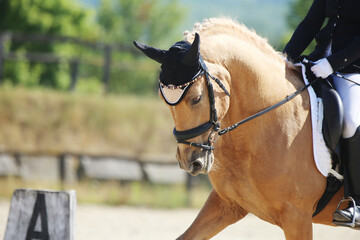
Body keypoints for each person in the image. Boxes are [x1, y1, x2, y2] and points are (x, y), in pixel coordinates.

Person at [283, 0, 360, 227]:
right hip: (319, 62)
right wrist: (285, 57)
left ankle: (356, 202)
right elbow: (310, 24)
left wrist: (334, 63)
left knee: (350, 121)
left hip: (352, 69)